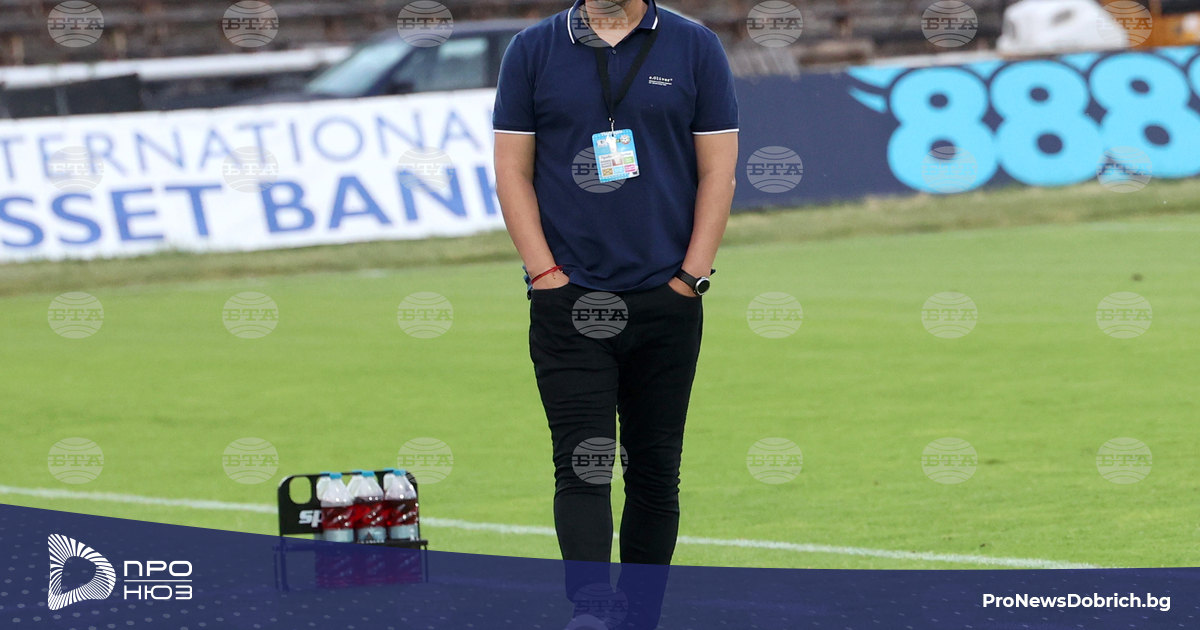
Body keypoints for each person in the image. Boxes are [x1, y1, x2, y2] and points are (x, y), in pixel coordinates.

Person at [493, 0, 738, 577]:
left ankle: (640, 613)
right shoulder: (531, 51)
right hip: (569, 299)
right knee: (583, 468)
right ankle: (590, 610)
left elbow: (718, 171)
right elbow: (511, 171)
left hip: (668, 297)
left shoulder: (695, 46)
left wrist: (691, 278)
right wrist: (545, 276)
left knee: (655, 472)